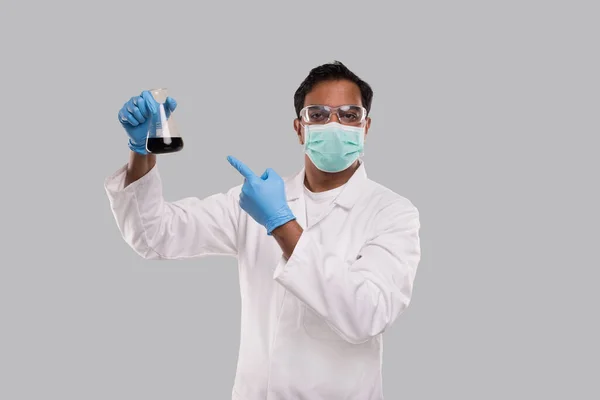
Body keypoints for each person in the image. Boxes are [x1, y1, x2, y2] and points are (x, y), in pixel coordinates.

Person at [105, 61, 421, 400]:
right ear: (299, 128)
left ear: (366, 126)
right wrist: (142, 153)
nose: (333, 124)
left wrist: (280, 223)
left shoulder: (392, 212)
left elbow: (366, 316)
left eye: (348, 114)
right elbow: (155, 236)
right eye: (317, 115)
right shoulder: (258, 198)